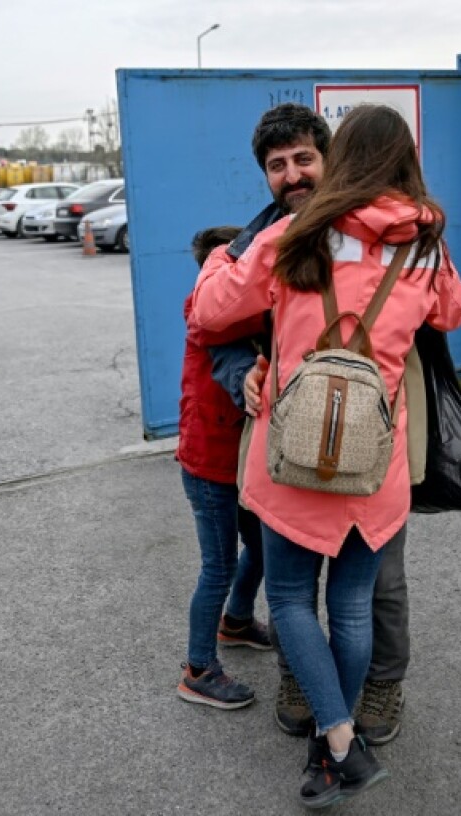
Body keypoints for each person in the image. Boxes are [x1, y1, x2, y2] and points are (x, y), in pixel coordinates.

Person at [190, 104, 461, 808]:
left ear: (336, 158)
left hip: (295, 454)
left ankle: (338, 737)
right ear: (406, 159)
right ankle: (331, 743)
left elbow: (211, 312)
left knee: (288, 596)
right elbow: (454, 314)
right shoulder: (426, 244)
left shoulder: (296, 232)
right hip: (375, 459)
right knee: (352, 605)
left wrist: (228, 256)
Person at [210, 102, 413, 748]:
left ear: (334, 162)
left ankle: (376, 686)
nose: (292, 175)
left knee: (373, 589)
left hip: (362, 441)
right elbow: (216, 328)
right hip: (311, 440)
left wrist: (215, 262)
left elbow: (211, 300)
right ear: (264, 176)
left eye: (304, 160)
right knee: (339, 592)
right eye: (277, 166)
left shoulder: (396, 237)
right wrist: (242, 365)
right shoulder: (269, 235)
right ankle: (316, 690)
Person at [174, 226, 273, 711]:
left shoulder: (239, 314)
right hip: (210, 465)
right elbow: (240, 375)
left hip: (240, 462)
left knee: (260, 547)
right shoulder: (210, 317)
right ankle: (198, 669)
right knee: (219, 565)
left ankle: (235, 621)